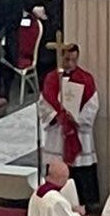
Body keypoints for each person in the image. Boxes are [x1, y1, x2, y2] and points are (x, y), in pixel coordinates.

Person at [38, 43, 102, 207]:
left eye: (74, 59)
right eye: (67, 59)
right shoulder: (51, 78)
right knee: (58, 166)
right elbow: (44, 103)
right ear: (61, 58)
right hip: (58, 132)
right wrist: (56, 116)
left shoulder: (86, 79)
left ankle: (85, 202)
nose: (70, 63)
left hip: (79, 132)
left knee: (80, 170)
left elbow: (92, 105)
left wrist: (77, 119)